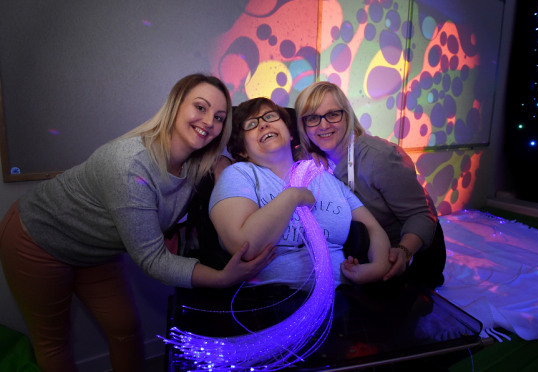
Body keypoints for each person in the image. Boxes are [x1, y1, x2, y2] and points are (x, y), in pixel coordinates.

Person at [0, 74, 275, 372]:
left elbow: (225, 166)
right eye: (200, 107)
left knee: (126, 328)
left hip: (97, 251)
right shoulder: (130, 165)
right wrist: (222, 278)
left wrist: (229, 168)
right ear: (175, 106)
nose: (209, 121)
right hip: (38, 239)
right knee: (53, 341)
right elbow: (153, 259)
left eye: (219, 117)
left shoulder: (197, 162)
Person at [209, 97, 392, 291]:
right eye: (251, 124)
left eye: (270, 117)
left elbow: (372, 227)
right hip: (271, 305)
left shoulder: (325, 177)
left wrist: (378, 266)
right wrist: (292, 196)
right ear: (243, 150)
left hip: (343, 300)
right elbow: (244, 246)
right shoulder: (239, 175)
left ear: (289, 134)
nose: (263, 124)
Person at [294, 81, 446, 289]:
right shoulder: (314, 159)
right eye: (312, 118)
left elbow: (421, 215)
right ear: (303, 125)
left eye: (333, 114)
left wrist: (403, 252)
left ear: (347, 115)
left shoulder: (379, 158)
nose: (323, 125)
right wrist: (304, 152)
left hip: (411, 253)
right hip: (366, 251)